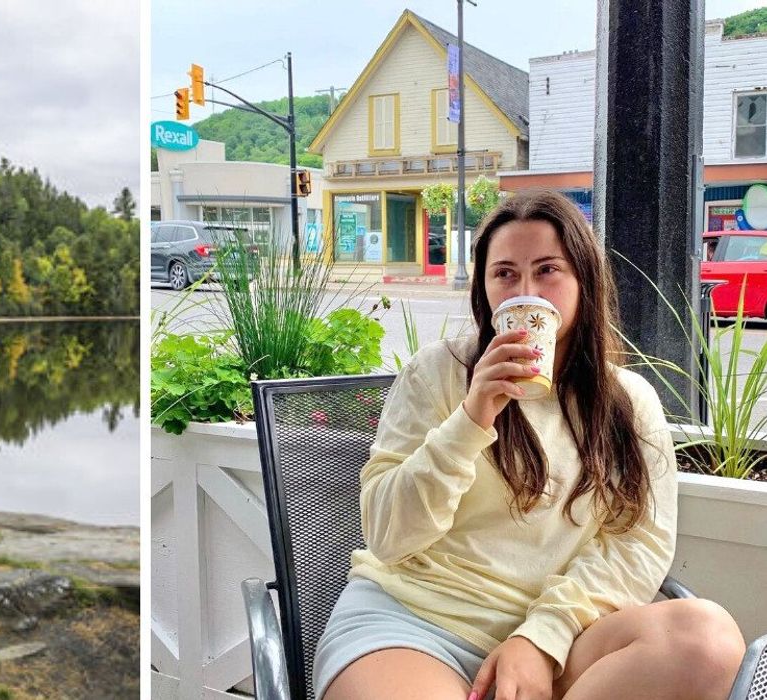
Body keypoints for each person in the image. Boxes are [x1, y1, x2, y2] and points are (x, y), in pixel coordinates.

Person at [315, 190, 747, 700]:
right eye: (505, 274)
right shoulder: (437, 372)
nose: (527, 290)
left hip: (561, 636)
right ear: (485, 289)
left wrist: (541, 638)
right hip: (417, 621)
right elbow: (387, 535)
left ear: (582, 280)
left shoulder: (628, 403)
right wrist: (471, 417)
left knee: (708, 639)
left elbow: (638, 546)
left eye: (547, 270)